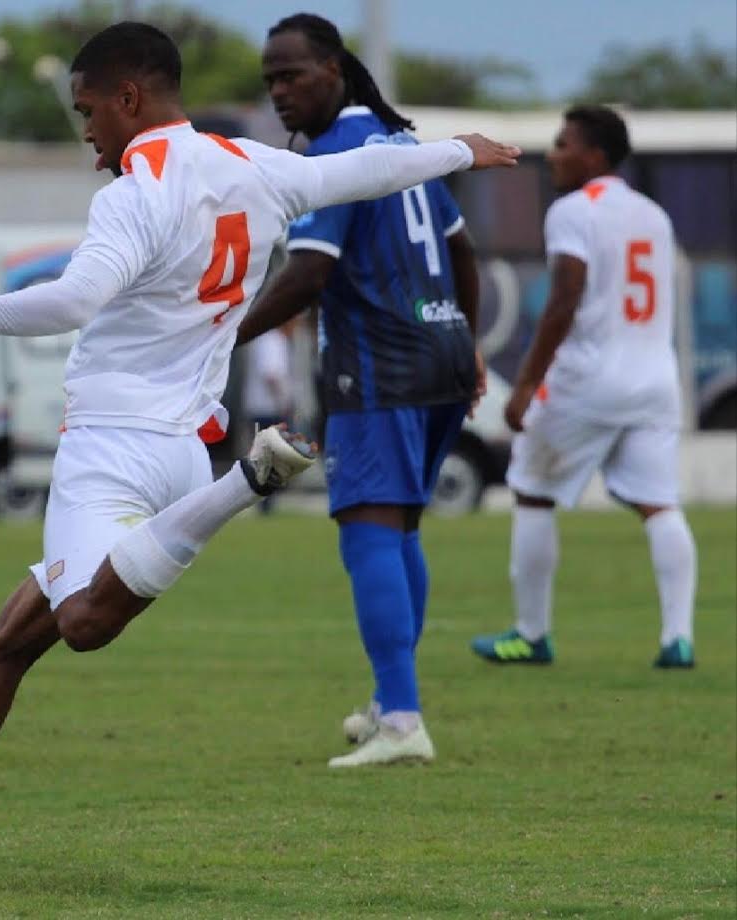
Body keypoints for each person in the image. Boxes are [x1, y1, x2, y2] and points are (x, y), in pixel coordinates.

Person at [0, 22, 518, 863]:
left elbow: (73, 301)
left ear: (128, 98)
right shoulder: (251, 164)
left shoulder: (134, 191)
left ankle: (246, 485)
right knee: (10, 641)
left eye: (86, 111)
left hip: (111, 450)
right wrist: (457, 152)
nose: (85, 131)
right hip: (182, 451)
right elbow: (360, 171)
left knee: (80, 622)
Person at [236, 13, 485, 768]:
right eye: (270, 79)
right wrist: (466, 341)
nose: (280, 92)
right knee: (402, 529)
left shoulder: (338, 156)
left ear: (335, 72)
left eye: (293, 75)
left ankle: (403, 722)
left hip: (381, 363)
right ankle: (390, 696)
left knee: (368, 532)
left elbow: (309, 271)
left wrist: (219, 337)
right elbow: (459, 249)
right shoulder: (397, 145)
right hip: (438, 353)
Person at [471, 105, 697, 669]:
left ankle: (531, 634)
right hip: (654, 379)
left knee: (531, 489)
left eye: (564, 143)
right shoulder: (653, 215)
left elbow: (563, 301)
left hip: (589, 377)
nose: (554, 153)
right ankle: (678, 638)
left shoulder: (573, 211)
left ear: (595, 155)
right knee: (659, 504)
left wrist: (525, 385)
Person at [242, 324, 295, 513]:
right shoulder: (272, 340)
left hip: (260, 407)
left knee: (265, 458)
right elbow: (271, 374)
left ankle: (265, 500)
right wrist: (284, 402)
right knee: (269, 458)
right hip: (268, 408)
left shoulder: (264, 338)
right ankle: (264, 501)